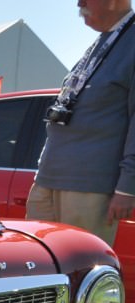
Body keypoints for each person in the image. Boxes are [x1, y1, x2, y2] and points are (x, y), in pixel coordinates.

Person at [26, 0, 135, 246]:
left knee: (79, 269)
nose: (79, 3)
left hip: (90, 188)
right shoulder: (104, 40)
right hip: (48, 180)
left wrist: (128, 188)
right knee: (40, 266)